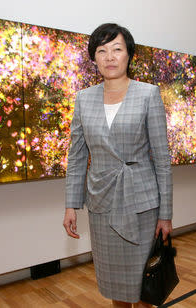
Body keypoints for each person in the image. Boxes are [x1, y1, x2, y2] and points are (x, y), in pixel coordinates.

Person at [63, 23, 173, 308]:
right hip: (102, 204)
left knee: (144, 285)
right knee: (116, 287)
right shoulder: (83, 99)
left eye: (117, 49)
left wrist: (166, 214)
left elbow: (162, 158)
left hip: (141, 205)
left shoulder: (148, 94)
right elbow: (76, 156)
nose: (110, 57)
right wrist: (70, 205)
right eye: (102, 51)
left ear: (129, 55)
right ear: (94, 59)